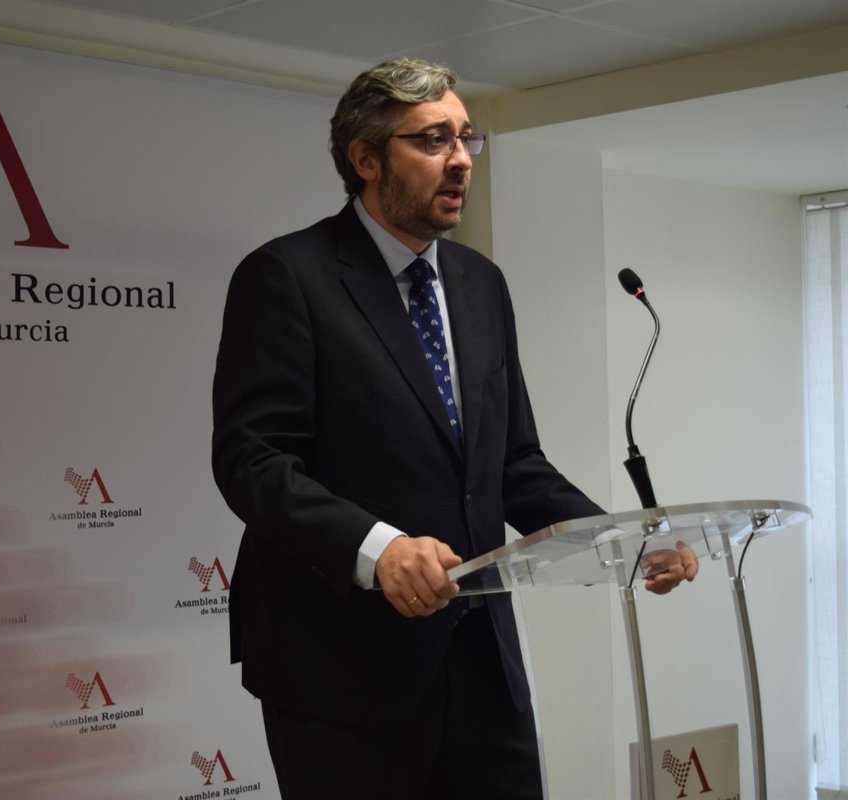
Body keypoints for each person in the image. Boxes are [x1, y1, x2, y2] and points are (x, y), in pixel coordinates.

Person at [210, 58, 694, 800]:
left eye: (467, 138)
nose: (462, 159)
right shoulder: (288, 276)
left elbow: (515, 464)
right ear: (367, 159)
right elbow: (253, 460)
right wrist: (379, 548)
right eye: (433, 140)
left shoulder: (479, 282)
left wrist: (622, 542)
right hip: (342, 667)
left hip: (481, 659)